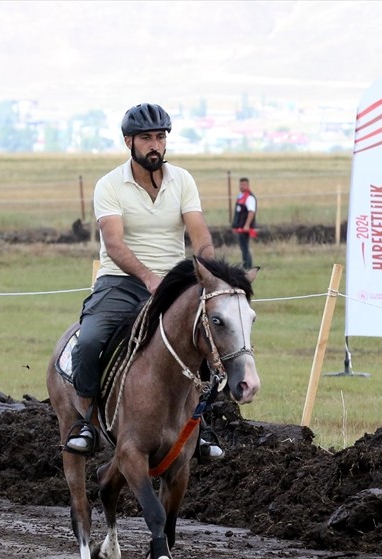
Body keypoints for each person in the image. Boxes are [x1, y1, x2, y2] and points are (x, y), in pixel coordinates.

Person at [66, 102, 224, 460]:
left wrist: (208, 273)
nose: (155, 145)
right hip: (120, 281)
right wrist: (149, 278)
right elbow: (115, 244)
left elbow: (199, 235)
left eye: (160, 137)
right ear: (129, 142)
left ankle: (201, 425)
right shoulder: (109, 185)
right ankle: (86, 422)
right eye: (146, 138)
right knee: (89, 342)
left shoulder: (182, 180)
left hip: (175, 282)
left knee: (213, 339)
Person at [232, 176, 258, 270]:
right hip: (240, 227)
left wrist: (247, 225)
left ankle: (247, 266)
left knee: (245, 248)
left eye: (244, 184)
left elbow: (251, 212)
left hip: (245, 228)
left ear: (248, 185)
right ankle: (247, 265)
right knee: (244, 247)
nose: (242, 186)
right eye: (241, 184)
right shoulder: (241, 196)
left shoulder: (249, 197)